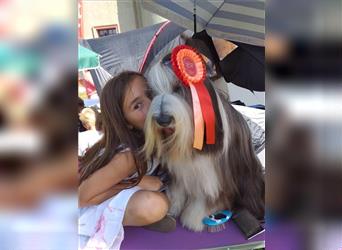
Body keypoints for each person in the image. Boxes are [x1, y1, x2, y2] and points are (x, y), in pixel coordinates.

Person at [78, 71, 174, 250]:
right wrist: (136, 183)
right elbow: (82, 197)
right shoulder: (128, 157)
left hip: (106, 190)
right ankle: (132, 217)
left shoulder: (159, 134)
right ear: (126, 123)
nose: (151, 104)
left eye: (150, 94)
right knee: (155, 205)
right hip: (82, 206)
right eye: (137, 106)